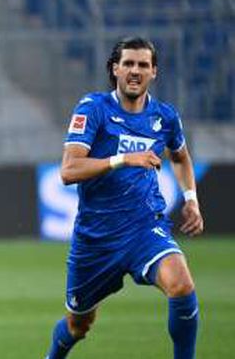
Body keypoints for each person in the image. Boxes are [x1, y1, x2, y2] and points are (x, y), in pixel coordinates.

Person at [46, 37, 204, 359]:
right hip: (97, 239)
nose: (135, 71)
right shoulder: (94, 109)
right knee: (79, 325)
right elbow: (68, 170)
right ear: (115, 69)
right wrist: (122, 160)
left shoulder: (165, 117)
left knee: (182, 284)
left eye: (143, 65)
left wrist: (191, 198)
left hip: (144, 229)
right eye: (128, 64)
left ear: (154, 72)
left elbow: (181, 157)